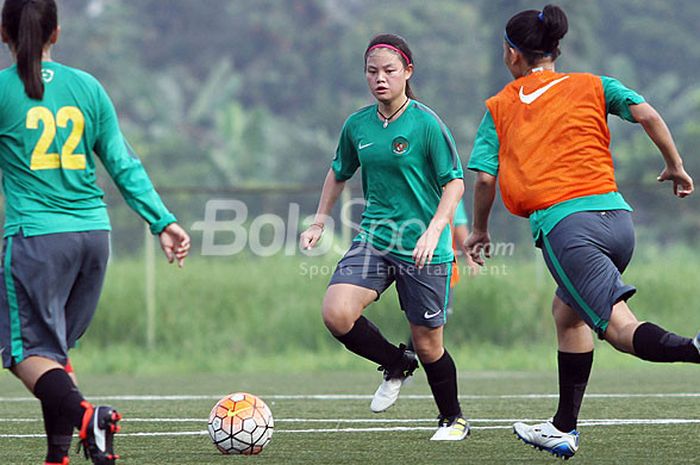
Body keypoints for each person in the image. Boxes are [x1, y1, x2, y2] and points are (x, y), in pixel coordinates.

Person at [466, 4, 697, 459]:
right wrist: (675, 165)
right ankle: (563, 428)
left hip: (568, 229)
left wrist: (478, 231)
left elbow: (485, 179)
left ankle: (695, 349)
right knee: (567, 314)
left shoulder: (501, 106)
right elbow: (648, 114)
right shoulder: (593, 85)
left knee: (618, 329)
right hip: (618, 220)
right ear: (556, 49)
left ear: (512, 55)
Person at [0, 1, 191, 464]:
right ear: (57, 33)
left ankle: (89, 418)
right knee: (54, 350)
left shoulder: (3, 91)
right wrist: (162, 220)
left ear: (5, 34)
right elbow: (122, 162)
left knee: (23, 353)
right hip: (92, 238)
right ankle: (57, 456)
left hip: (36, 238)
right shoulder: (86, 87)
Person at [300, 33, 469, 441]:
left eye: (390, 71)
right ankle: (396, 363)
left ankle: (453, 420)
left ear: (407, 72)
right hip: (375, 236)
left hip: (423, 247)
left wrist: (434, 230)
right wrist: (320, 220)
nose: (381, 79)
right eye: (372, 71)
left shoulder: (427, 123)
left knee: (430, 346)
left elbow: (455, 184)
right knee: (336, 313)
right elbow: (339, 171)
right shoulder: (357, 125)